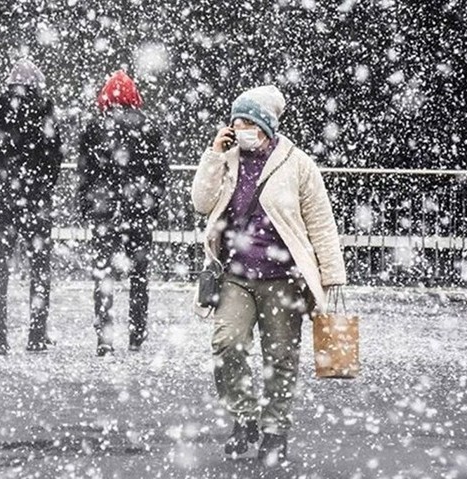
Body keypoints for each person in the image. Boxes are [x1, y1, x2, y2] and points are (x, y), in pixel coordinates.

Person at [190, 85, 346, 465]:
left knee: (280, 358)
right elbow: (201, 202)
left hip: (282, 278)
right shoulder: (227, 159)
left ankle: (275, 430)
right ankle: (244, 418)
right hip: (236, 275)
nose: (240, 129)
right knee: (227, 343)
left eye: (247, 122)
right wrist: (213, 155)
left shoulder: (297, 164)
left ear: (265, 125)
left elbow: (321, 223)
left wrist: (331, 276)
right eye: (235, 122)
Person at [0, 59, 63, 354]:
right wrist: (40, 187)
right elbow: (54, 158)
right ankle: (36, 334)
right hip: (34, 202)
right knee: (39, 268)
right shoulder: (44, 112)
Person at [78, 70, 167, 356]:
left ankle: (104, 337)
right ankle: (137, 334)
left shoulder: (94, 128)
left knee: (103, 275)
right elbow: (159, 173)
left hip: (105, 212)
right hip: (138, 210)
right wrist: (152, 204)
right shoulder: (149, 127)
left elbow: (86, 173)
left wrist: (87, 204)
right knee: (139, 276)